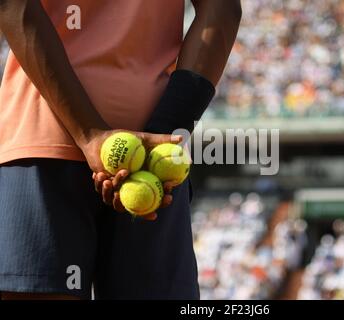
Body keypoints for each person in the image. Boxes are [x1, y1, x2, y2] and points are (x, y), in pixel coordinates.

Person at [0, 0, 241, 300]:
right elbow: (222, 8)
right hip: (154, 159)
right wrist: (162, 133)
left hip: (44, 135)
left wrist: (90, 134)